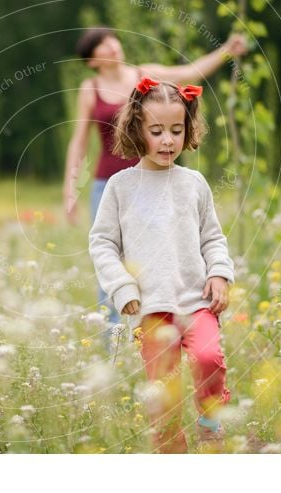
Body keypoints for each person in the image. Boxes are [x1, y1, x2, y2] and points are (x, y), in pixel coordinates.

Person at [88, 76, 235, 453]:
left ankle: (211, 422)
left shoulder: (194, 183)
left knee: (208, 357)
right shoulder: (121, 187)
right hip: (151, 309)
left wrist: (219, 274)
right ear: (137, 130)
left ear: (188, 129)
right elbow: (102, 242)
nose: (168, 140)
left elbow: (212, 237)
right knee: (163, 397)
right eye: (157, 131)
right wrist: (123, 288)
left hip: (196, 300)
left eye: (176, 129)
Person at [64, 27, 245, 326]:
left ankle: (171, 327)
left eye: (111, 39)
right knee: (111, 263)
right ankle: (117, 344)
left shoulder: (144, 75)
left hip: (156, 180)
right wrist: (70, 191)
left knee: (159, 256)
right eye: (100, 45)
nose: (111, 46)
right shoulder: (90, 88)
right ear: (91, 60)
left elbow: (191, 72)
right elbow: (79, 141)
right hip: (107, 185)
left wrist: (226, 49)